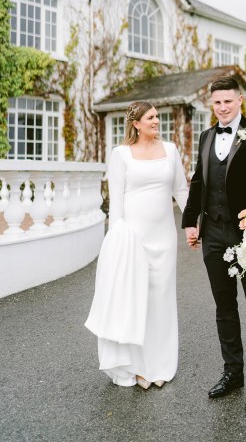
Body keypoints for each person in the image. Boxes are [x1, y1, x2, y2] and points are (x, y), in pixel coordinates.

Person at [182, 76, 246, 411]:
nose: (222, 108)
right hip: (212, 234)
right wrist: (189, 222)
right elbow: (199, 181)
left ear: (239, 100)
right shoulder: (206, 136)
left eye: (228, 101)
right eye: (217, 103)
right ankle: (233, 372)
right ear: (211, 105)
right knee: (224, 307)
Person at [85, 101, 188, 390]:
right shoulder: (121, 155)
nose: (157, 121)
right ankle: (138, 366)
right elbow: (116, 201)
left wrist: (195, 223)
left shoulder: (170, 151)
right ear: (136, 123)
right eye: (151, 117)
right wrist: (115, 240)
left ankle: (160, 364)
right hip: (133, 238)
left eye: (157, 117)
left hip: (164, 238)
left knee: (161, 300)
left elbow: (181, 189)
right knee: (135, 299)